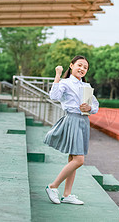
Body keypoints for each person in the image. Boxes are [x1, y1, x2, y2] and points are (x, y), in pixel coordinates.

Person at [43, 55, 99, 205]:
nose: (82, 69)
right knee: (79, 160)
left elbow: (95, 106)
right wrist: (57, 75)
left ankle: (67, 194)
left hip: (83, 122)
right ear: (71, 65)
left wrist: (90, 108)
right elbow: (54, 96)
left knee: (72, 159)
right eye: (79, 65)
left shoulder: (86, 87)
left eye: (85, 68)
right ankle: (52, 186)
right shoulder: (65, 83)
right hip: (72, 120)